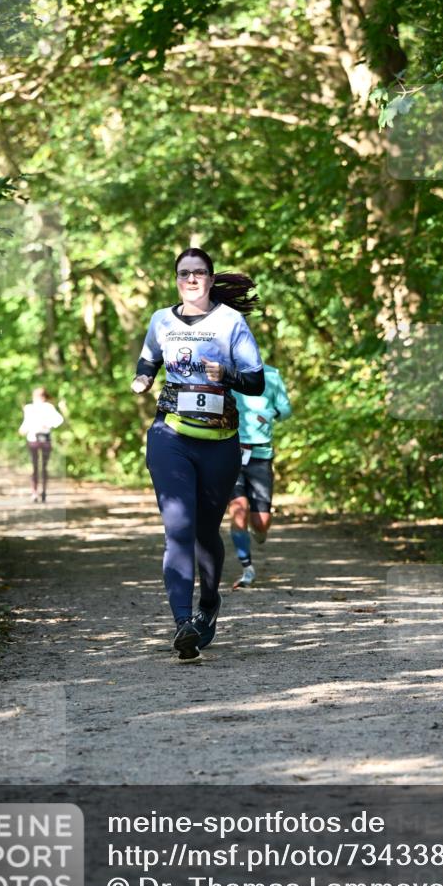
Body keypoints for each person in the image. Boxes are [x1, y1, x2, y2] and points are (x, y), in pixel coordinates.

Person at [132, 247, 264, 662]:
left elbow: (256, 383)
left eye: (199, 273)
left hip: (220, 440)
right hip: (170, 435)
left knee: (207, 530)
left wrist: (225, 374)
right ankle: (182, 623)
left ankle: (209, 604)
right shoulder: (161, 320)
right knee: (179, 529)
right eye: (184, 274)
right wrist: (143, 377)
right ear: (176, 279)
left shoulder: (230, 322)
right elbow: (149, 358)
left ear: (210, 278)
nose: (191, 280)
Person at [229, 363, 292, 587]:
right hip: (230, 450)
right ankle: (247, 569)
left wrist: (270, 413)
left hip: (261, 453)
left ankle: (260, 531)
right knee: (238, 509)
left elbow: (286, 409)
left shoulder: (272, 375)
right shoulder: (225, 372)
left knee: (261, 522)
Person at [18, 387, 64, 503]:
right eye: (35, 396)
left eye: (38, 396)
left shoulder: (48, 407)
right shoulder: (29, 408)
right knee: (34, 466)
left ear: (43, 397)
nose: (36, 399)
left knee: (44, 467)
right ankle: (34, 492)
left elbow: (59, 420)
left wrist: (47, 424)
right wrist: (22, 429)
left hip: (45, 439)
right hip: (33, 439)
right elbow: (26, 423)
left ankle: (44, 491)